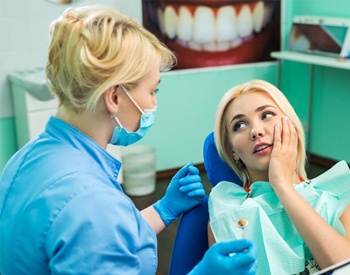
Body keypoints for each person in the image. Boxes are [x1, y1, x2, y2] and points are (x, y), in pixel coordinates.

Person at [0, 5, 258, 274]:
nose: (154, 103)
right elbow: (97, 226)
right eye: (152, 90)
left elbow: (105, 240)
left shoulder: (25, 159)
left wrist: (164, 208)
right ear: (114, 98)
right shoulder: (91, 203)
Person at [207, 79, 350, 274]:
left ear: (291, 124)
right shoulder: (227, 214)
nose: (256, 131)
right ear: (233, 151)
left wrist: (282, 186)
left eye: (266, 115)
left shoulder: (338, 196)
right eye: (239, 125)